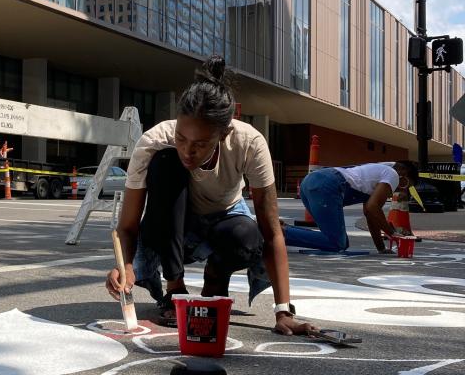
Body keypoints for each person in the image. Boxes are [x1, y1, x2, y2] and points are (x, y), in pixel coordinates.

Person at [105, 56, 314, 335]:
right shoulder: (155, 141)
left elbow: (272, 230)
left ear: (224, 134)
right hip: (172, 228)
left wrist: (283, 311)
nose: (187, 151)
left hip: (225, 220)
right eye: (181, 137)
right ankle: (175, 289)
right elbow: (128, 226)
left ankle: (215, 279)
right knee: (166, 162)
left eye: (200, 144)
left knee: (246, 236)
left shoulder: (249, 143)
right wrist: (126, 266)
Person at [283, 161, 419, 253]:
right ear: (403, 173)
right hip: (327, 185)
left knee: (338, 241)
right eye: (405, 184)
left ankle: (282, 231)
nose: (401, 189)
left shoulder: (377, 174)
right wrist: (391, 233)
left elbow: (371, 214)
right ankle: (281, 233)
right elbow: (373, 208)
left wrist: (381, 248)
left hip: (311, 182)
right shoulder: (392, 174)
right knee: (337, 243)